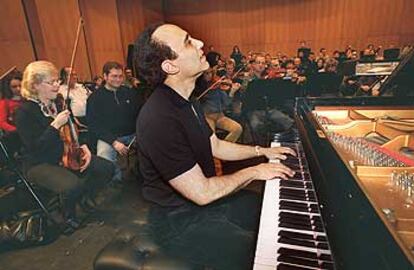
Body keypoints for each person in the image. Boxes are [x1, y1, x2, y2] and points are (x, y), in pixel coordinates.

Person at [135, 23, 295, 270]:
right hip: (178, 221)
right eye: (188, 42)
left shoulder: (186, 101)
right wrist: (254, 171)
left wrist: (261, 152)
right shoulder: (159, 117)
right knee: (265, 250)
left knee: (271, 213)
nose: (200, 43)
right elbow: (202, 193)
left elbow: (216, 146)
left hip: (201, 206)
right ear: (170, 66)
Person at [15, 61, 114, 232]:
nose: (57, 85)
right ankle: (67, 215)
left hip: (67, 154)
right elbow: (35, 148)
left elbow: (73, 130)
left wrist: (84, 147)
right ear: (36, 85)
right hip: (39, 163)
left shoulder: (59, 101)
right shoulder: (25, 112)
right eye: (51, 82)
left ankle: (83, 197)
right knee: (72, 185)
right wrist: (54, 125)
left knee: (107, 168)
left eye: (57, 81)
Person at [86, 61, 143, 182]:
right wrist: (113, 142)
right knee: (104, 157)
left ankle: (142, 174)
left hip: (133, 135)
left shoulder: (129, 92)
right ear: (105, 76)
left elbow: (141, 114)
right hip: (109, 137)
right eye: (114, 76)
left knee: (152, 145)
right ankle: (116, 182)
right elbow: (94, 125)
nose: (118, 80)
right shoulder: (95, 98)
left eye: (120, 76)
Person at [0, 71, 23, 154]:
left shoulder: (27, 99)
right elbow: (2, 123)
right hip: (17, 135)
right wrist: (17, 130)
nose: (18, 89)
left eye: (20, 85)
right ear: (8, 88)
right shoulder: (4, 102)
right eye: (14, 87)